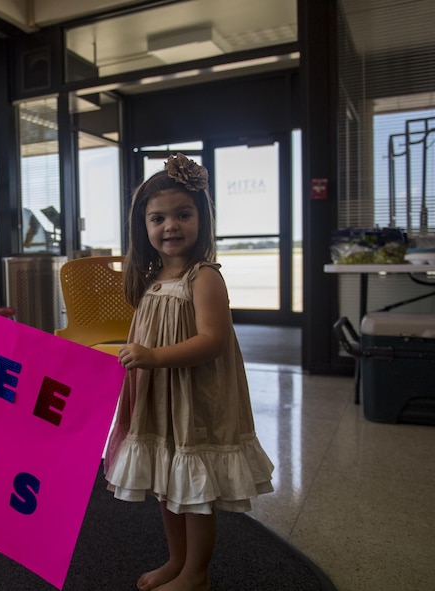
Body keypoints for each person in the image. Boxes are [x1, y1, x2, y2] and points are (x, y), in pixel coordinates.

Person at [104, 153, 274, 590]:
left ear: (203, 218)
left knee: (195, 493)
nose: (170, 226)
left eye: (183, 214)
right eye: (158, 218)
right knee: (167, 483)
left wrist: (155, 358)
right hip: (159, 399)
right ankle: (176, 561)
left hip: (193, 400)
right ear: (143, 227)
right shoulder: (151, 277)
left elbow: (212, 340)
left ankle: (196, 574)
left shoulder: (204, 277)